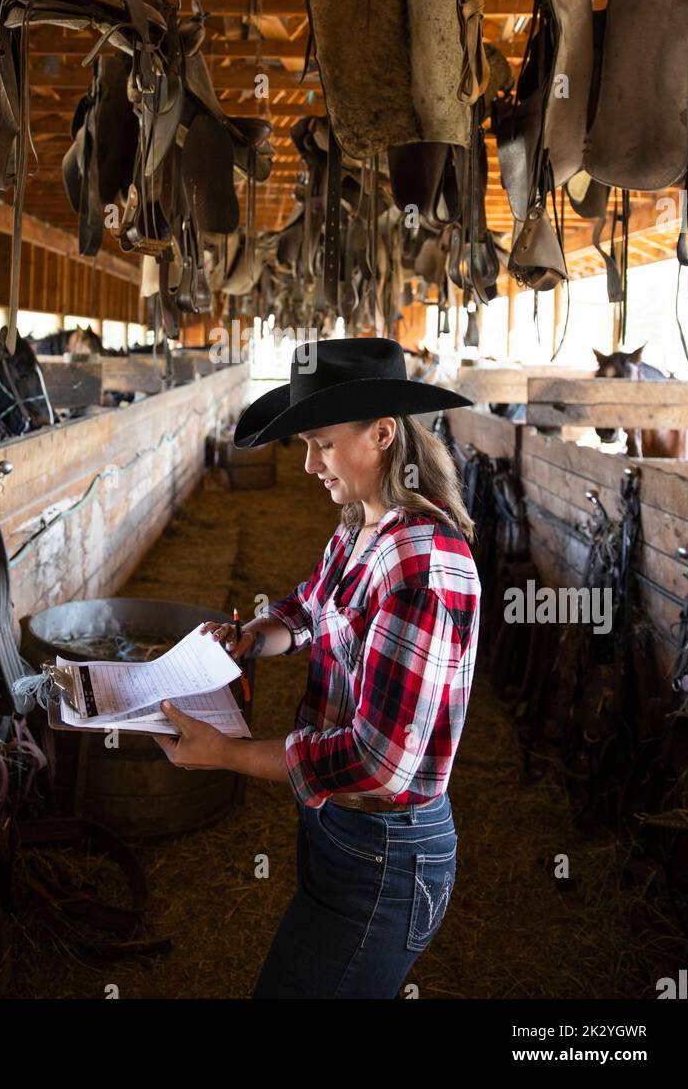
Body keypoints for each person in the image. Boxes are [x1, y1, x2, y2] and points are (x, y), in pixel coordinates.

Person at [152, 336, 480, 999]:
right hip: (342, 830)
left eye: (322, 444)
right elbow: (307, 609)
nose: (308, 466)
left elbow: (379, 760)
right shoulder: (362, 526)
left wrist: (228, 755)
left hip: (387, 849)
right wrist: (252, 636)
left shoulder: (421, 566)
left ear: (382, 433)